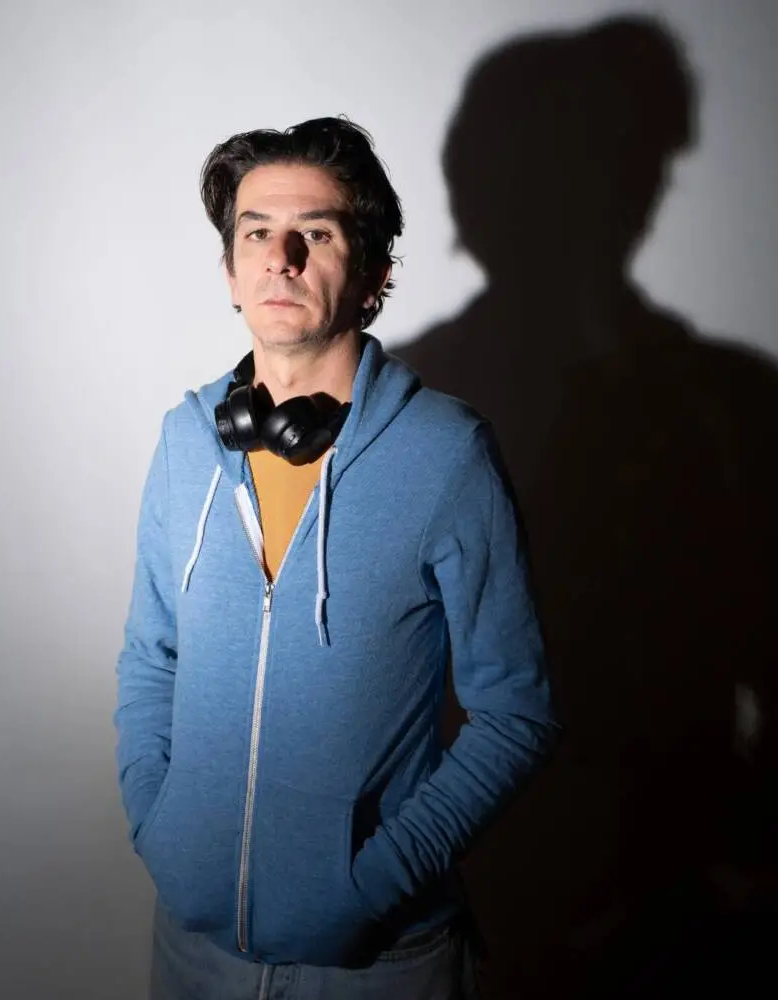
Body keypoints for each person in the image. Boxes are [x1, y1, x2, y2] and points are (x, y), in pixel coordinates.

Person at [114, 116, 557, 1000]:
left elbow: (517, 713)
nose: (279, 259)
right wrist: (160, 834)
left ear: (375, 273)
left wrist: (372, 884)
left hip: (381, 962)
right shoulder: (185, 441)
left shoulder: (446, 454)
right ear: (231, 269)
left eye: (313, 234)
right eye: (255, 233)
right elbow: (150, 660)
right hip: (193, 951)